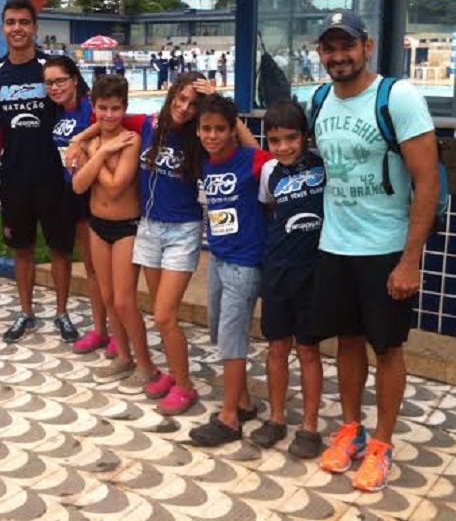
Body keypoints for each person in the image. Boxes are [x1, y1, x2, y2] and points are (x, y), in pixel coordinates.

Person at [66, 74, 259, 415]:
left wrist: (220, 103)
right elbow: (106, 121)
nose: (185, 109)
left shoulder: (201, 138)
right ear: (170, 97)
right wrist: (79, 138)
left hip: (182, 231)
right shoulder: (149, 124)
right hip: (149, 227)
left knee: (164, 315)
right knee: (160, 313)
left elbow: (249, 150)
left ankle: (185, 387)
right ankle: (173, 374)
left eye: (193, 104)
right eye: (180, 100)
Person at [310, 9, 440, 491]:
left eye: (347, 45)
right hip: (335, 244)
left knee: (386, 347)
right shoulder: (319, 98)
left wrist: (411, 259)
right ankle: (351, 429)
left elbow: (427, 181)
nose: (338, 56)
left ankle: (382, 443)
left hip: (386, 248)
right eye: (329, 47)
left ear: (367, 46)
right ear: (320, 53)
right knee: (345, 340)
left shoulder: (398, 97)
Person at [0, 0, 79, 345]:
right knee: (21, 247)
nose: (17, 29)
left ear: (35, 27)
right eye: (11, 22)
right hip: (14, 175)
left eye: (24, 22)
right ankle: (25, 311)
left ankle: (62, 312)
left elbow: (77, 107)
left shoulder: (51, 67)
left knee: (59, 248)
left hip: (54, 177)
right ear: (3, 27)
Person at [189, 94, 273, 446]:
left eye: (221, 129)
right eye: (206, 129)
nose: (212, 136)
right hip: (218, 259)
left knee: (232, 340)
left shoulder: (251, 161)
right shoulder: (205, 165)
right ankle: (244, 402)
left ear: (232, 130)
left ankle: (229, 419)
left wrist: (237, 121)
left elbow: (270, 159)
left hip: (245, 263)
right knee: (218, 332)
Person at [72, 75, 160, 393]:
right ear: (93, 107)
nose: (109, 115)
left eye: (115, 108)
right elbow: (78, 185)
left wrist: (93, 154)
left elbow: (115, 185)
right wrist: (99, 151)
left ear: (125, 108)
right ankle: (123, 356)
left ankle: (147, 365)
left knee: (124, 301)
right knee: (108, 298)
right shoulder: (98, 142)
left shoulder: (131, 140)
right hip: (97, 224)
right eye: (103, 108)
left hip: (126, 228)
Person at [248, 100, 325, 459]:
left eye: (291, 138)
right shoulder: (269, 173)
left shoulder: (323, 166)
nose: (283, 147)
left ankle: (310, 426)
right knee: (277, 347)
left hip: (313, 270)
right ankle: (277, 418)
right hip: (277, 268)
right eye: (274, 140)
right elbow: (269, 208)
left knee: (308, 349)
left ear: (305, 136)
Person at [43, 55, 114, 358]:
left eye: (60, 80)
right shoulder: (57, 111)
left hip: (91, 195)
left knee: (96, 267)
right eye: (49, 83)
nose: (55, 87)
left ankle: (107, 331)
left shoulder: (90, 109)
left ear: (74, 79)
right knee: (83, 262)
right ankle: (100, 328)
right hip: (67, 191)